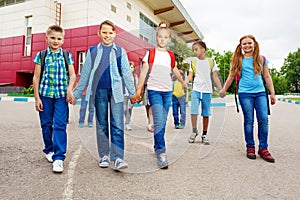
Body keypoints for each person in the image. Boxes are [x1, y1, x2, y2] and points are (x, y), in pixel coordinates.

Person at [70, 20, 135, 171]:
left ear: (115, 34)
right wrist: (76, 94)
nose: (107, 35)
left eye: (110, 32)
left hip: (116, 92)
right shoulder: (92, 51)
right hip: (98, 91)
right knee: (101, 125)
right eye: (104, 32)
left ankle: (118, 158)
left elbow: (126, 73)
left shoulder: (120, 51)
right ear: (99, 33)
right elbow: (85, 74)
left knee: (117, 125)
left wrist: (132, 93)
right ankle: (104, 155)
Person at [131, 21, 187, 169]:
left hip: (167, 92)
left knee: (161, 122)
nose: (163, 39)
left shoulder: (170, 55)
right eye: (160, 37)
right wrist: (138, 90)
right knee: (159, 121)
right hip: (154, 91)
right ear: (156, 38)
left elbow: (174, 69)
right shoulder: (151, 54)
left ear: (169, 40)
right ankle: (162, 153)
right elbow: (143, 73)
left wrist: (183, 81)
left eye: (166, 37)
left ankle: (157, 146)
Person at [219, 34, 276, 163]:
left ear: (254, 44)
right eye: (244, 44)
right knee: (249, 120)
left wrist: (272, 93)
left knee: (264, 120)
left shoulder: (261, 59)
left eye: (250, 43)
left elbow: (267, 77)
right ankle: (250, 147)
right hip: (245, 94)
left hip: (260, 93)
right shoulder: (237, 60)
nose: (247, 46)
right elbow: (231, 77)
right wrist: (223, 89)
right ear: (241, 46)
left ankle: (263, 148)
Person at [32, 25, 76, 173]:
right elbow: (36, 77)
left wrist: (70, 90)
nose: (55, 41)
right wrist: (37, 97)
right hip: (45, 95)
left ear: (63, 40)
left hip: (61, 96)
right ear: (47, 38)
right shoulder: (41, 55)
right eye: (53, 38)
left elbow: (73, 75)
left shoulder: (67, 55)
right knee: (46, 124)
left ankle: (59, 157)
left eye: (59, 38)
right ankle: (49, 149)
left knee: (59, 125)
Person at [186, 41, 222, 145]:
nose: (194, 52)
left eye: (196, 49)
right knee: (193, 111)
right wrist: (185, 81)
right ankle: (194, 131)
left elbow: (215, 76)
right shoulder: (193, 62)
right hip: (196, 89)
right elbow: (190, 75)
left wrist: (221, 89)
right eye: (193, 50)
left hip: (207, 91)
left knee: (206, 113)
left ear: (203, 49)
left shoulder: (211, 61)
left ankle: (204, 134)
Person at [124, 61, 137, 131]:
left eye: (132, 67)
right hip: (124, 93)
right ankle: (127, 121)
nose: (130, 69)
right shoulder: (124, 76)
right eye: (129, 67)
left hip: (132, 94)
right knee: (124, 109)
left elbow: (136, 85)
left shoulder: (134, 77)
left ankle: (127, 123)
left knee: (130, 108)